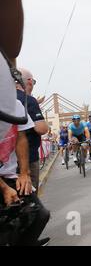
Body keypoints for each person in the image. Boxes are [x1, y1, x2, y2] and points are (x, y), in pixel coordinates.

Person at [0, 100, 50, 246]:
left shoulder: (15, 104)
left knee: (40, 215)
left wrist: (24, 174)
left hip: (9, 174)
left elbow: (20, 138)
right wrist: (4, 188)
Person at [16, 68, 48, 193]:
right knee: (30, 199)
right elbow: (41, 129)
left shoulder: (5, 99)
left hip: (6, 164)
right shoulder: (29, 100)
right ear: (29, 82)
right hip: (27, 159)